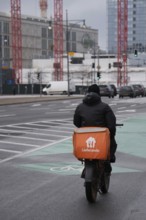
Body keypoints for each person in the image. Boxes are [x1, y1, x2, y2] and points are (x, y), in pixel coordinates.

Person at [73, 84, 117, 173]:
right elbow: (111, 124)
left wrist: (84, 128)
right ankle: (108, 161)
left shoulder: (80, 106)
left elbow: (76, 122)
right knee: (113, 143)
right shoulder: (104, 107)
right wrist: (111, 134)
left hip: (84, 135)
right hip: (101, 136)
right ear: (98, 93)